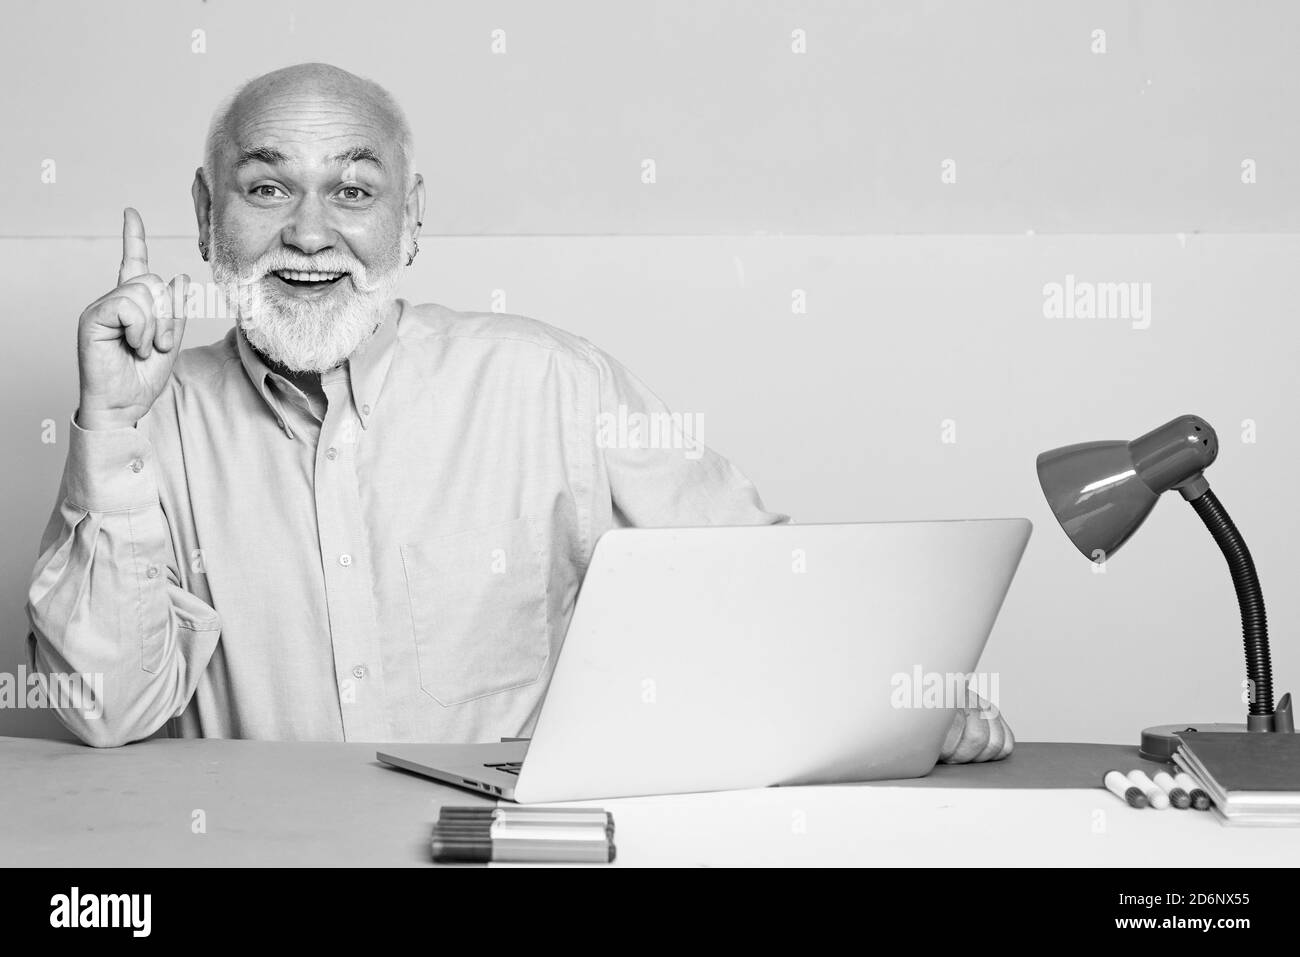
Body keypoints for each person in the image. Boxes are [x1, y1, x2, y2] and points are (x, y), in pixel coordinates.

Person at [27, 62, 1011, 762]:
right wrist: (108, 431)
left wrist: (903, 695)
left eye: (354, 189)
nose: (312, 232)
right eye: (268, 186)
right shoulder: (148, 417)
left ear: (412, 219)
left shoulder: (553, 385)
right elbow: (103, 712)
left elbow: (761, 583)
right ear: (207, 217)